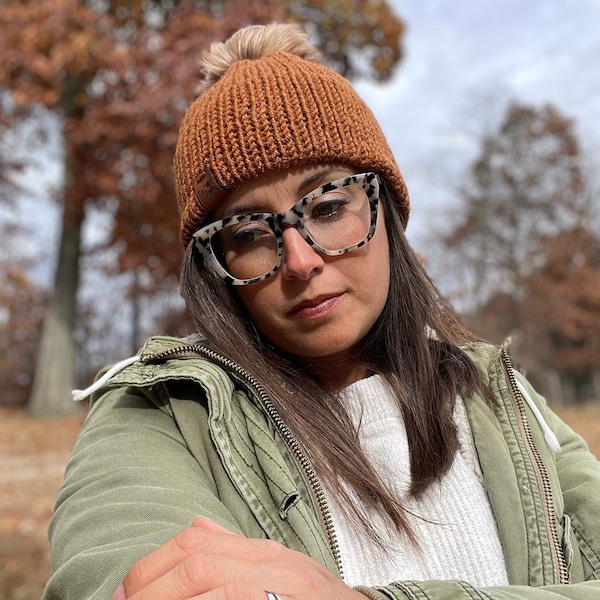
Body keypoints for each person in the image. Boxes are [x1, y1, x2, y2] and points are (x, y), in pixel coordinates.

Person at [44, 22, 600, 600]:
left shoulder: (501, 398)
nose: (300, 260)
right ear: (217, 267)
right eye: (250, 233)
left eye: (329, 206)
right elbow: (114, 565)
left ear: (383, 207)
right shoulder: (161, 416)